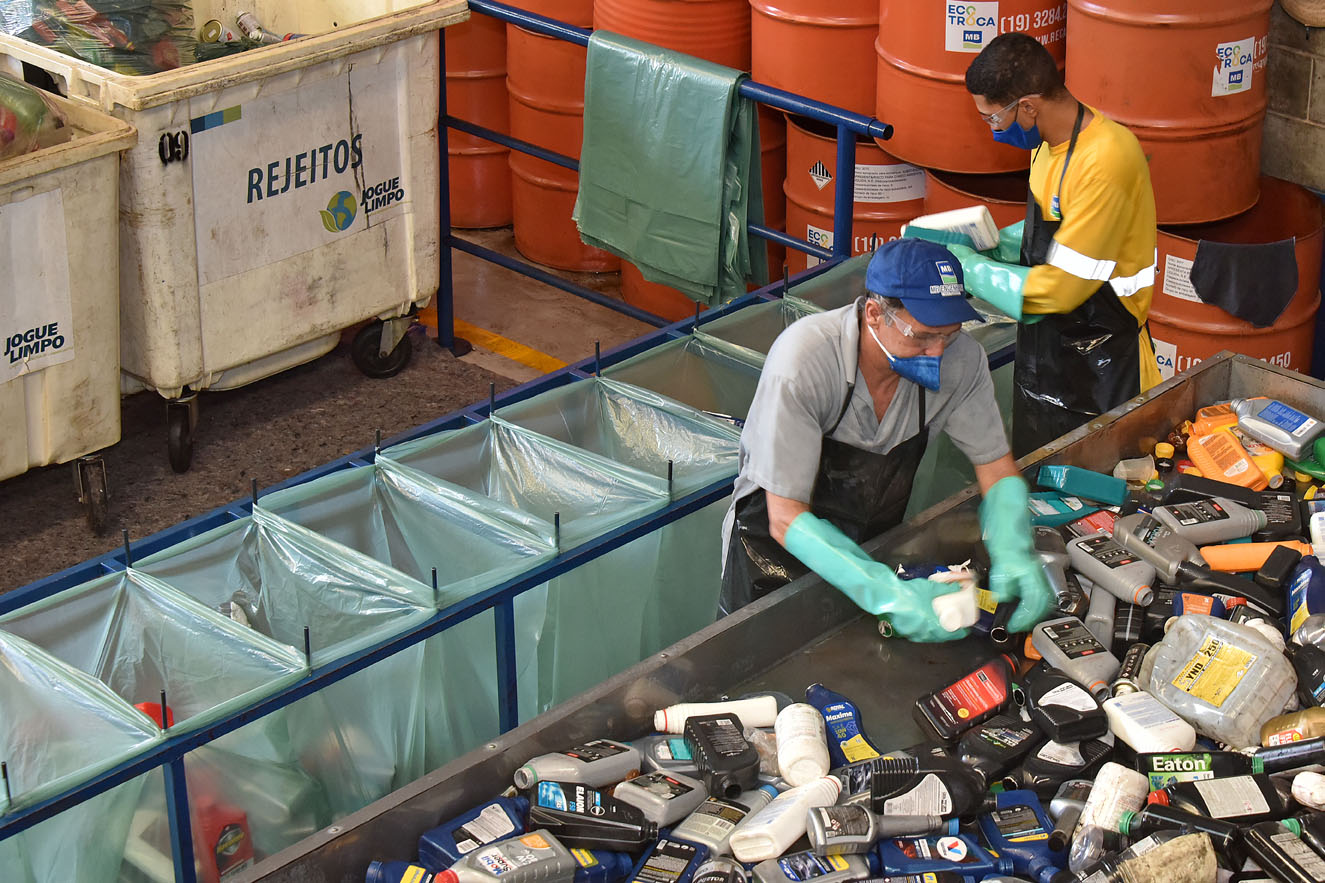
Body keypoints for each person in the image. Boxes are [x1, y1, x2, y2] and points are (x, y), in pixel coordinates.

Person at [719, 238, 1052, 641]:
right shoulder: (804, 361)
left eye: (949, 333)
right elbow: (785, 516)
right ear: (875, 314)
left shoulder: (961, 361)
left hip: (866, 554)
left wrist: (1013, 545)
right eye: (923, 336)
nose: (937, 351)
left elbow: (996, 468)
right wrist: (887, 594)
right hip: (770, 559)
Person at [959, 32, 1161, 457]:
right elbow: (1059, 227)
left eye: (993, 119)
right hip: (1048, 360)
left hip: (1107, 369)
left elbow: (1061, 289)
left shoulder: (1106, 159)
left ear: (1028, 107)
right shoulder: (1047, 146)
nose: (992, 130)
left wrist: (967, 269)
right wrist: (996, 243)